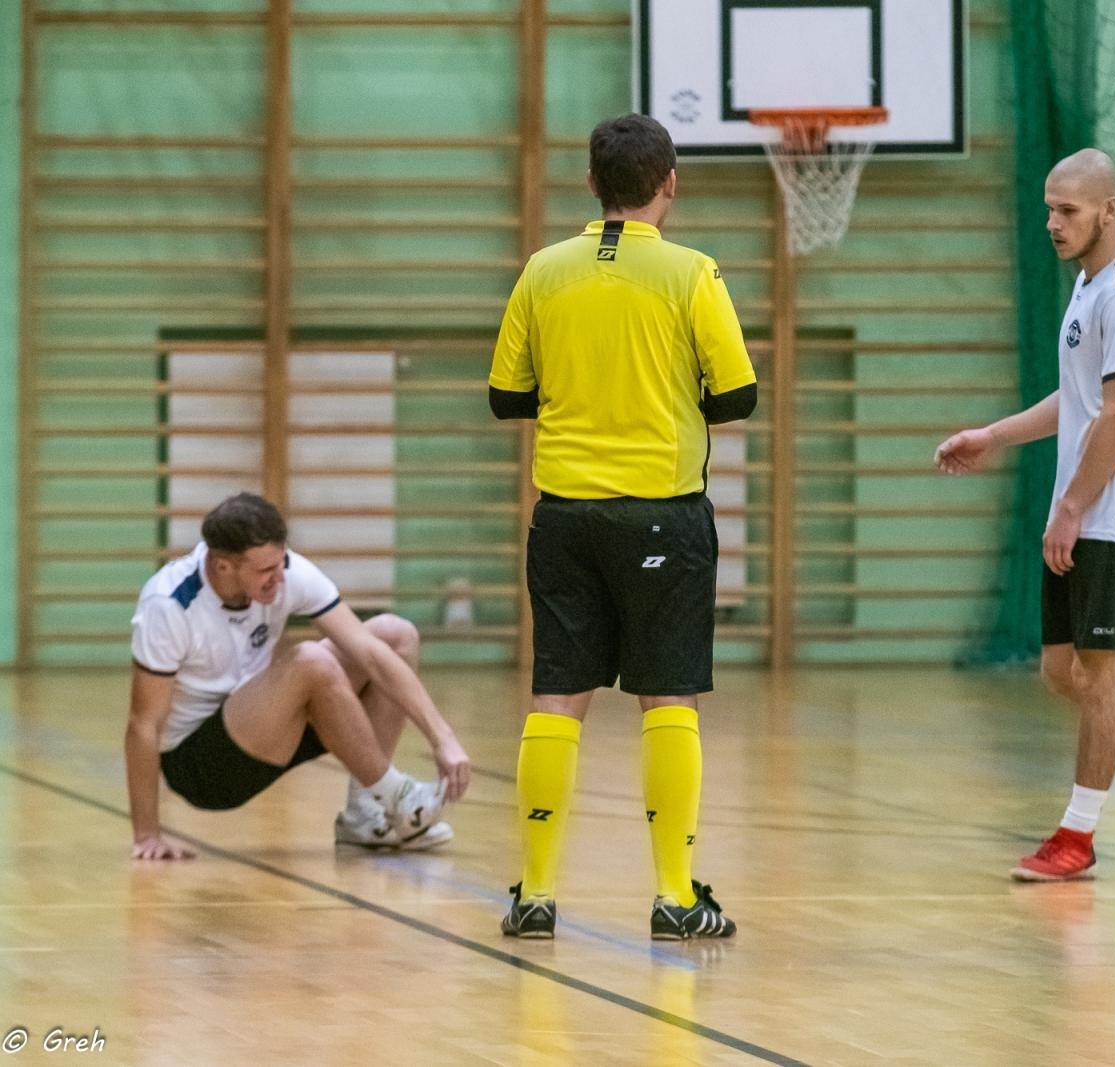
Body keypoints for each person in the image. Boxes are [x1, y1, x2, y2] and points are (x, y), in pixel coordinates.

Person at [488, 114, 757, 938]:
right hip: (661, 515)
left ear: (593, 184)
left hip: (565, 514)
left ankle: (534, 892)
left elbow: (506, 397)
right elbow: (739, 395)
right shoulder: (692, 274)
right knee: (667, 696)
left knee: (557, 695)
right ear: (669, 182)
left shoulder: (543, 271)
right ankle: (676, 896)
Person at [935, 149, 1115, 881]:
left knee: (1098, 673)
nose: (1053, 223)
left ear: (1110, 209)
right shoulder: (1090, 288)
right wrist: (994, 436)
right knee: (1061, 670)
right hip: (1086, 511)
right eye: (1048, 208)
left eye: (1068, 210)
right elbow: (1083, 401)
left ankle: (1078, 835)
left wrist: (1070, 507)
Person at [125, 493, 471, 860]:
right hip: (202, 768)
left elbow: (369, 654)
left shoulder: (287, 572)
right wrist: (147, 834)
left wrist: (442, 736)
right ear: (224, 566)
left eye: (281, 563)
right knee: (309, 659)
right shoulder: (170, 605)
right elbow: (143, 725)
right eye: (265, 571)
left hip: (268, 726)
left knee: (394, 634)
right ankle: (397, 794)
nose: (279, 578)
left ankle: (364, 815)